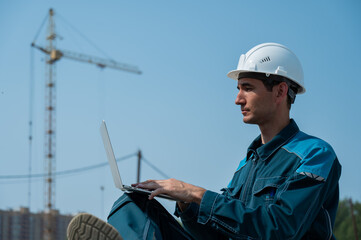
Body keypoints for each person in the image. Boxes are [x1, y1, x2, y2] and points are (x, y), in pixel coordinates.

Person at [67, 43, 341, 239]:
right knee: (133, 203)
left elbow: (281, 228)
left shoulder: (315, 155)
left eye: (247, 88)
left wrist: (195, 192)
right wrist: (187, 206)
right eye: (238, 89)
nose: (238, 99)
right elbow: (217, 232)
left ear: (280, 91)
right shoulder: (248, 164)